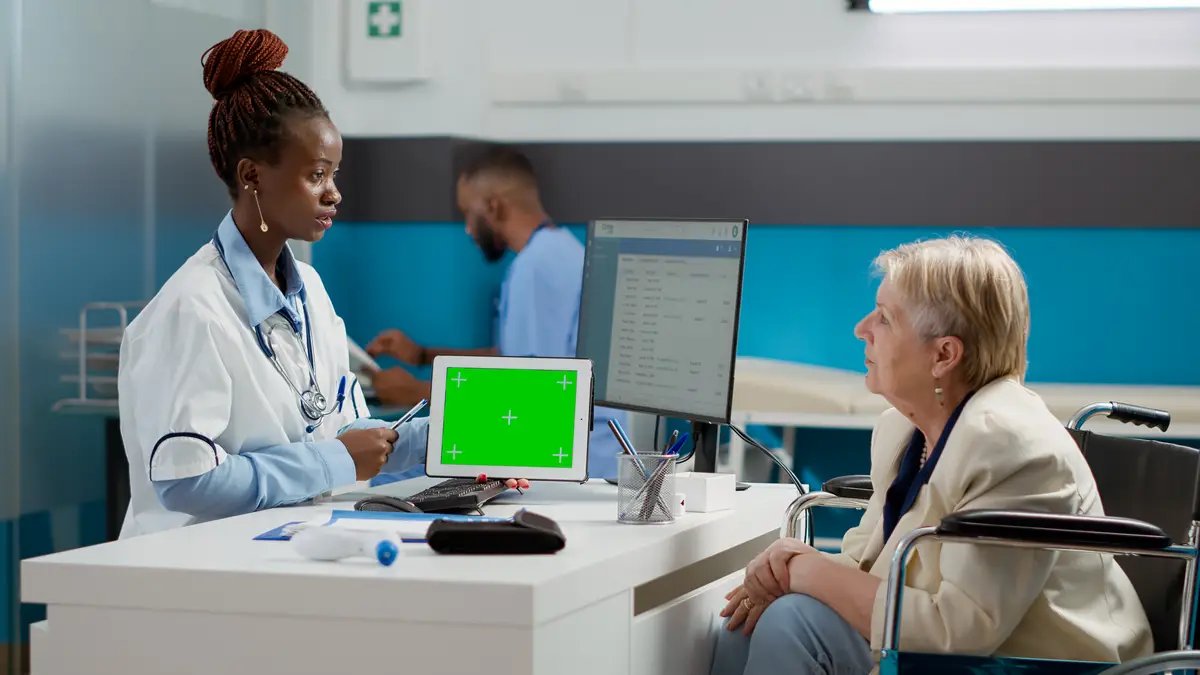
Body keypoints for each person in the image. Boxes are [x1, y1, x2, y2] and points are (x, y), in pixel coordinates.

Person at [116, 30, 525, 538]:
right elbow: (188, 481)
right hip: (188, 571)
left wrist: (471, 445)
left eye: (334, 173)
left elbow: (346, 433)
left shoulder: (307, 288)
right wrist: (332, 462)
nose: (334, 193)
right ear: (252, 176)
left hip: (280, 551)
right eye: (316, 175)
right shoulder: (194, 307)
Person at [710, 237, 1152, 674]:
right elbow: (866, 563)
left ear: (944, 354)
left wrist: (806, 574)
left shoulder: (1013, 448)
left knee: (791, 622)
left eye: (884, 318)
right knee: (745, 619)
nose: (861, 328)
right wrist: (786, 567)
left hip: (1040, 664)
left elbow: (958, 632)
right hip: (940, 649)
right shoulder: (904, 429)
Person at [366, 145, 625, 480]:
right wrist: (422, 354)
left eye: (467, 214)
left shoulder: (537, 268)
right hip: (576, 449)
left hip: (576, 459)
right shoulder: (557, 252)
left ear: (493, 206)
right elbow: (513, 360)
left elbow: (537, 391)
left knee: (387, 479)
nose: (467, 230)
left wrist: (416, 392)